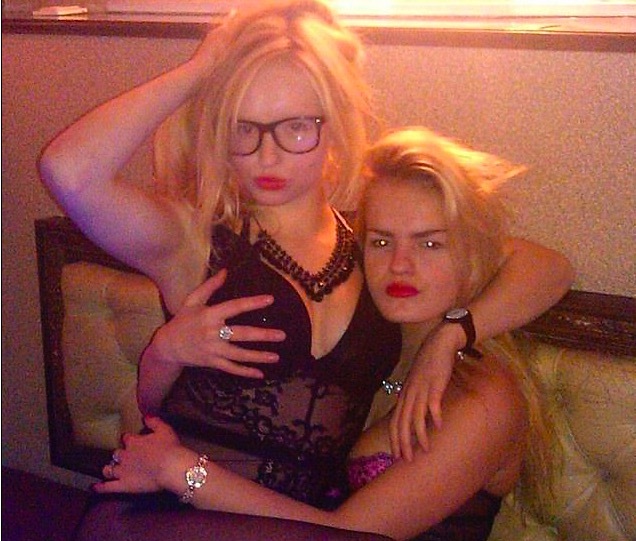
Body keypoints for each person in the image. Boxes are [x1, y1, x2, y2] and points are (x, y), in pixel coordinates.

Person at [39, 0, 571, 512]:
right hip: (172, 510)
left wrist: (453, 334)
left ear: (333, 126)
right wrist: (201, 70)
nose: (267, 156)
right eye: (244, 129)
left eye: (296, 127)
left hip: (304, 526)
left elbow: (545, 267)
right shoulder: (192, 239)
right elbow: (68, 170)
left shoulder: (374, 243)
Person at [94, 126, 558, 541]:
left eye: (430, 243)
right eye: (381, 241)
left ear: (473, 254)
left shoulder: (484, 399)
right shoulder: (376, 346)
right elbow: (160, 406)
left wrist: (181, 470)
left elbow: (351, 534)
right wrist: (165, 353)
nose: (400, 264)